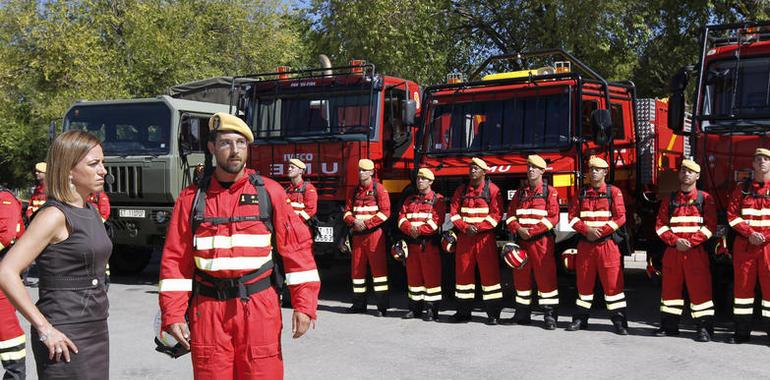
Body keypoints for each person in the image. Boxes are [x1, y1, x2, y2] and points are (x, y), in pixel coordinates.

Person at [159, 112, 320, 379]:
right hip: (208, 310)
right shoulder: (191, 199)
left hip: (259, 308)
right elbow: (176, 262)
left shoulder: (269, 193)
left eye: (241, 143)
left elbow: (298, 252)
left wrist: (304, 305)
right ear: (212, 147)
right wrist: (173, 313)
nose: (235, 151)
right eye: (225, 143)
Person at [0, 130, 112, 379]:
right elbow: (6, 271)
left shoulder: (91, 210)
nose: (103, 170)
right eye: (94, 164)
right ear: (69, 170)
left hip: (95, 327)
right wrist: (44, 328)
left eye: (103, 163)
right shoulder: (54, 215)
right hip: (64, 333)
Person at [654, 159, 716, 342]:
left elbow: (710, 226)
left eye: (690, 172)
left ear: (697, 175)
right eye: (682, 171)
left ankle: (704, 329)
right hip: (673, 252)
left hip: (695, 252)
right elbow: (660, 226)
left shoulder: (705, 199)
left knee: (700, 291)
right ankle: (669, 326)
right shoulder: (670, 200)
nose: (686, 174)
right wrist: (675, 241)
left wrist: (690, 242)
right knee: (670, 291)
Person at [566, 156, 629, 335]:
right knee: (583, 284)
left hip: (607, 245)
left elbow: (621, 217)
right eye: (591, 169)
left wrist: (602, 231)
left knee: (613, 286)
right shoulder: (581, 193)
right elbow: (572, 217)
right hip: (586, 245)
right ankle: (580, 319)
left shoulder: (614, 192)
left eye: (597, 169)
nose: (593, 172)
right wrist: (586, 230)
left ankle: (619, 321)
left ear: (605, 172)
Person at [504, 154, 560, 329]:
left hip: (541, 242)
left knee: (546, 278)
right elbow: (510, 215)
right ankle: (522, 313)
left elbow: (553, 217)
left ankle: (549, 315)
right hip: (522, 241)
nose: (530, 170)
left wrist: (532, 231)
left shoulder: (549, 192)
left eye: (534, 167)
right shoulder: (520, 193)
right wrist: (518, 229)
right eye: (529, 167)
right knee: (521, 278)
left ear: (542, 171)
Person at [449, 157, 504, 325]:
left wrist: (478, 228)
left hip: (484, 239)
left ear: (484, 172)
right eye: (471, 168)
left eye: (476, 168)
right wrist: (465, 227)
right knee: (463, 275)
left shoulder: (493, 190)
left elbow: (497, 215)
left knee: (490, 276)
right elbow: (454, 212)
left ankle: (493, 314)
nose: (472, 171)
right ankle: (463, 312)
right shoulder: (461, 190)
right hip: (465, 238)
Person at [726, 147, 770, 344]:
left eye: (766, 159)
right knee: (743, 292)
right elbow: (732, 216)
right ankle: (741, 333)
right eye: (758, 159)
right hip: (746, 247)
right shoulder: (742, 189)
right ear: (752, 164)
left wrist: (764, 236)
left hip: (768, 247)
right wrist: (750, 234)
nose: (762, 162)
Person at [342, 159, 391, 316]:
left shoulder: (380, 190)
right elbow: (347, 211)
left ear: (371, 172)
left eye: (364, 170)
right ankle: (358, 305)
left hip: (374, 235)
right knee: (357, 272)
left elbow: (385, 213)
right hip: (357, 235)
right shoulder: (354, 191)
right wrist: (354, 221)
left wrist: (367, 223)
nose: (361, 173)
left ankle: (382, 307)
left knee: (379, 272)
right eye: (360, 170)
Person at [396, 168, 445, 321]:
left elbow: (437, 221)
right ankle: (414, 309)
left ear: (431, 181)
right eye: (418, 179)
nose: (419, 181)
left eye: (423, 179)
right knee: (413, 278)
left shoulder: (438, 199)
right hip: (412, 244)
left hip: (428, 245)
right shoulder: (410, 199)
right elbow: (401, 218)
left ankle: (431, 310)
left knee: (432, 279)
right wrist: (410, 229)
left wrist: (419, 231)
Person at [0, 185, 26, 379]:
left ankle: (14, 374)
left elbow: (6, 234)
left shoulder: (4, 199)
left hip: (3, 273)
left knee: (6, 326)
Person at [285, 159, 318, 229]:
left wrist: (295, 222)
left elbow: (310, 210)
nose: (289, 169)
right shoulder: (287, 190)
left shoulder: (308, 188)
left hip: (302, 228)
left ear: (301, 171)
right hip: (289, 227)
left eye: (292, 167)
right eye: (289, 167)